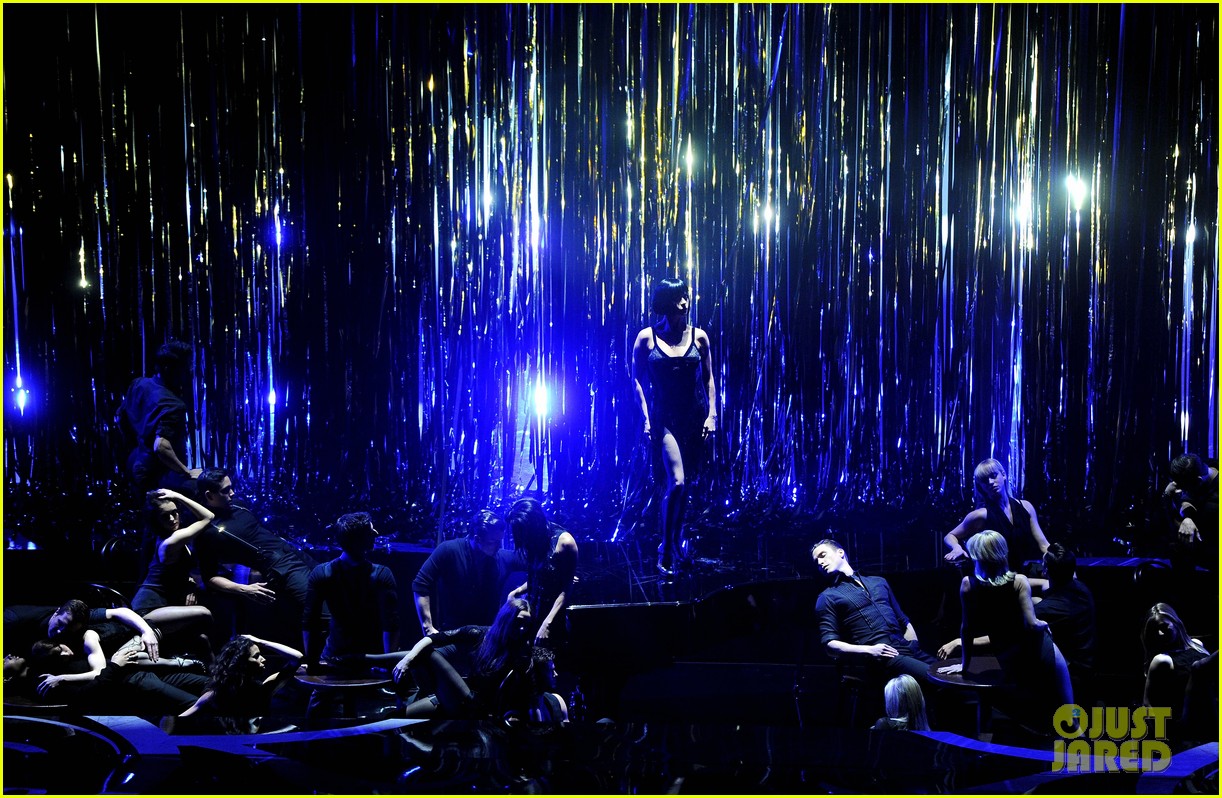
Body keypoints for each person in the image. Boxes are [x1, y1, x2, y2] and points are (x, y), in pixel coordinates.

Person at [937, 531, 1072, 727]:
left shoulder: (968, 585)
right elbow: (1032, 624)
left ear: (979, 557)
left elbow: (966, 630)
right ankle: (1077, 748)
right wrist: (1045, 624)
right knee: (1067, 713)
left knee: (1027, 708)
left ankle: (987, 749)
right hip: (1039, 649)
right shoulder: (1019, 581)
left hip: (1008, 655)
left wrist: (965, 665)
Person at [631, 277, 719, 574]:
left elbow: (709, 379)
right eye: (678, 297)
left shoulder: (699, 337)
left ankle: (676, 541)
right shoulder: (646, 338)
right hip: (663, 418)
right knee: (677, 482)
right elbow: (636, 380)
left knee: (684, 486)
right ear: (665, 303)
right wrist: (645, 417)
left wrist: (712, 415)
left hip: (693, 417)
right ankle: (666, 547)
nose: (685, 301)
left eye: (685, 295)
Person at [192, 468, 318, 645]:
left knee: (334, 587)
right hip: (279, 567)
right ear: (209, 496)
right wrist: (243, 588)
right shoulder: (207, 533)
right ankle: (320, 662)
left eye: (231, 487)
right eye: (225, 490)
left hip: (293, 553)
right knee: (319, 607)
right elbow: (209, 577)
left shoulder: (238, 504)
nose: (232, 493)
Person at [394, 598, 566, 723]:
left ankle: (375, 664)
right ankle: (371, 661)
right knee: (399, 715)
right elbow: (435, 638)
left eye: (527, 625)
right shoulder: (481, 634)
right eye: (519, 622)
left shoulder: (525, 651)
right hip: (461, 695)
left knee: (431, 655)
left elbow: (536, 695)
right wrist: (407, 659)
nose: (522, 629)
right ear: (507, 619)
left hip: (476, 708)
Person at [812, 539, 939, 682]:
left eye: (822, 555)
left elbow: (902, 619)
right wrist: (870, 650)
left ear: (840, 552)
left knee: (951, 674)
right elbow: (830, 644)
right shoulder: (827, 597)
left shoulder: (878, 581)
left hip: (907, 648)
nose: (820, 563)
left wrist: (914, 644)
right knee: (939, 679)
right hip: (883, 656)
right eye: (816, 561)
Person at [304, 512, 400, 667]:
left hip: (333, 657)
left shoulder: (321, 573)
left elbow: (309, 623)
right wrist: (389, 665)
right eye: (371, 531)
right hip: (372, 660)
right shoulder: (382, 575)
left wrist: (312, 662)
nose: (376, 533)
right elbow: (391, 625)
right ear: (362, 540)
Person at [412, 510, 525, 637]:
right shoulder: (449, 550)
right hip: (452, 634)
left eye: (500, 541)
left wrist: (519, 591)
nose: (499, 546)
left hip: (488, 636)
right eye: (493, 542)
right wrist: (428, 627)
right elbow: (420, 584)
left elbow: (538, 567)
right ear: (477, 539)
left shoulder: (502, 557)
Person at [115, 340, 200, 495]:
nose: (189, 370)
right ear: (169, 368)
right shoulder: (172, 404)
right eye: (186, 366)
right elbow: (161, 446)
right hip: (159, 475)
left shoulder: (138, 384)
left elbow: (120, 417)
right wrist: (186, 472)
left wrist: (137, 445)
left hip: (135, 461)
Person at [130, 489, 214, 642]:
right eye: (164, 516)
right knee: (204, 613)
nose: (172, 519)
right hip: (147, 610)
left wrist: (189, 585)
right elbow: (208, 517)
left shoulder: (166, 536)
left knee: (202, 639)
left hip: (166, 604)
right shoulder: (171, 541)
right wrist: (179, 496)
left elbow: (175, 573)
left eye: (175, 512)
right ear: (156, 520)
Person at [943, 458, 1050, 573]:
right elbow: (950, 535)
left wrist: (1062, 560)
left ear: (1003, 475)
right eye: (984, 480)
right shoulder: (980, 515)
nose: (990, 482)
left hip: (1025, 572)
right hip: (999, 577)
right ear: (981, 487)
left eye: (993, 475)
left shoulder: (1026, 507)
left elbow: (1044, 545)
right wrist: (957, 548)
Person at [505, 498, 577, 649]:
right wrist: (516, 591)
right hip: (534, 615)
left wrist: (547, 623)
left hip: (554, 621)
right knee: (534, 665)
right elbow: (538, 577)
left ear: (533, 524)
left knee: (546, 665)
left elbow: (566, 588)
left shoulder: (564, 543)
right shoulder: (534, 541)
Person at [178, 633, 303, 719]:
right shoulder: (217, 694)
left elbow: (297, 658)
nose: (263, 659)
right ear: (241, 663)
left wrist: (260, 641)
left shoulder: (263, 689)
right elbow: (182, 719)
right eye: (256, 656)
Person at [1140, 602, 1210, 717]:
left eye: (1163, 626)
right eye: (1154, 630)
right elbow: (1148, 704)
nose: (1160, 633)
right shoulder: (1162, 660)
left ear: (1175, 622)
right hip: (1190, 724)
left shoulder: (1197, 645)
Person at [1163, 453, 1218, 570]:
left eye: (1184, 488)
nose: (1181, 490)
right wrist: (1187, 516)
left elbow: (1190, 532)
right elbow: (1186, 499)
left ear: (1198, 481)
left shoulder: (1213, 504)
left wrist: (1167, 500)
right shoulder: (1202, 468)